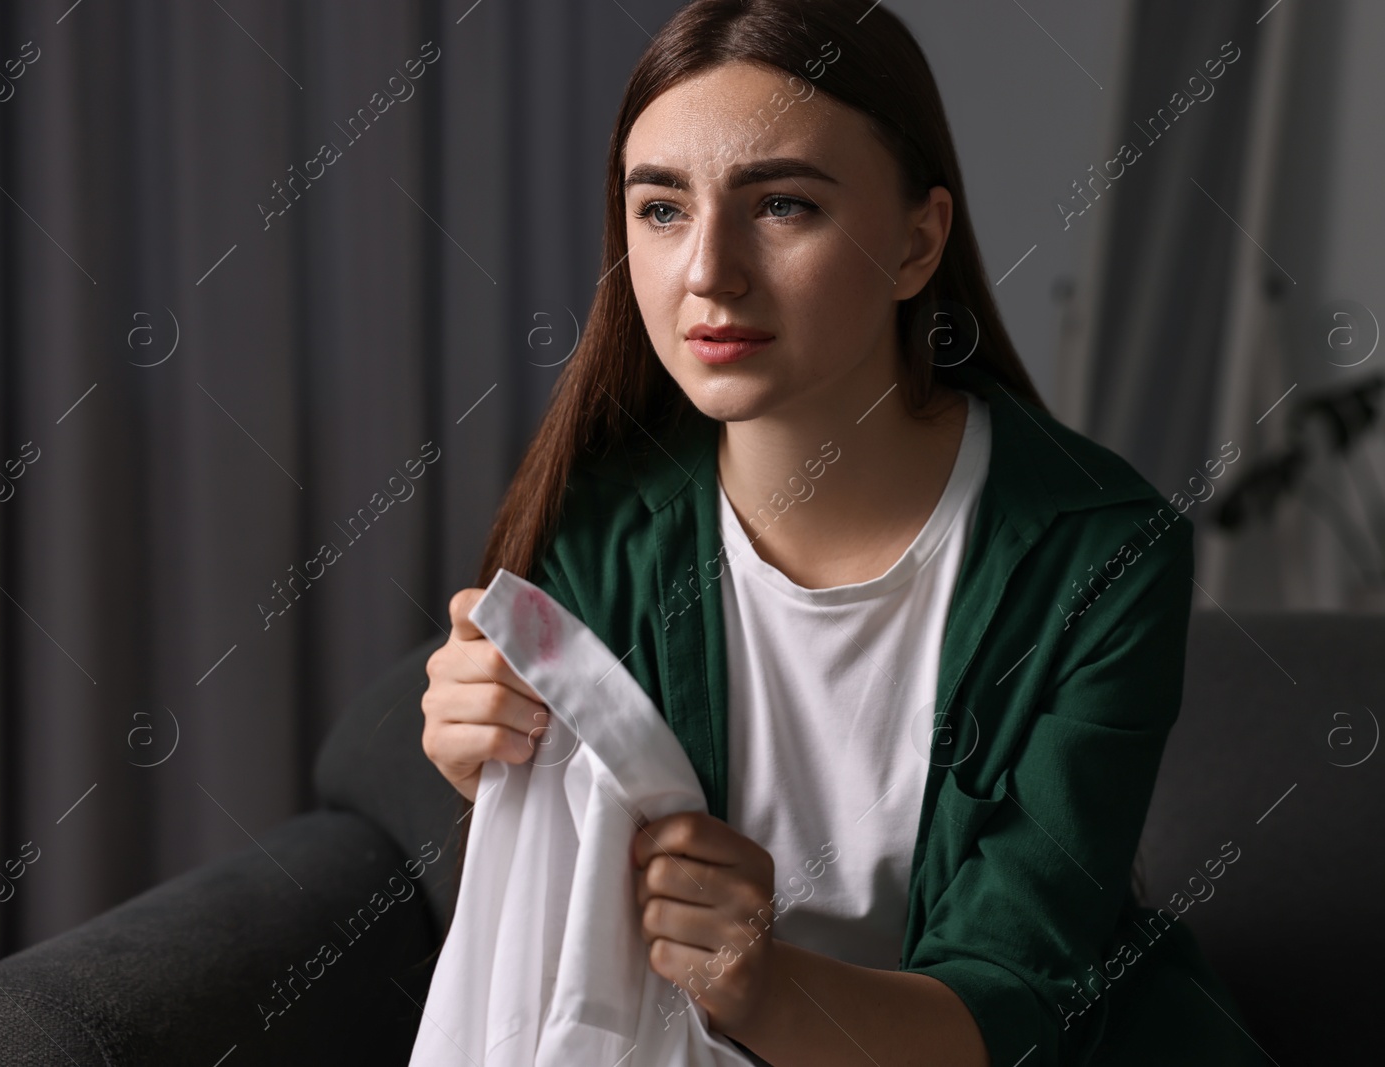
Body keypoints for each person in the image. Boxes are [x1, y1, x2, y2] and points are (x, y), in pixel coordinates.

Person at [420, 1, 1263, 1063]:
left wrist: (758, 985)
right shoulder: (596, 528)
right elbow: (565, 932)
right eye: (662, 209)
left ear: (917, 242)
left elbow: (1012, 996)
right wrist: (498, 768)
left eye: (780, 205)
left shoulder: (1102, 553)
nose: (707, 272)